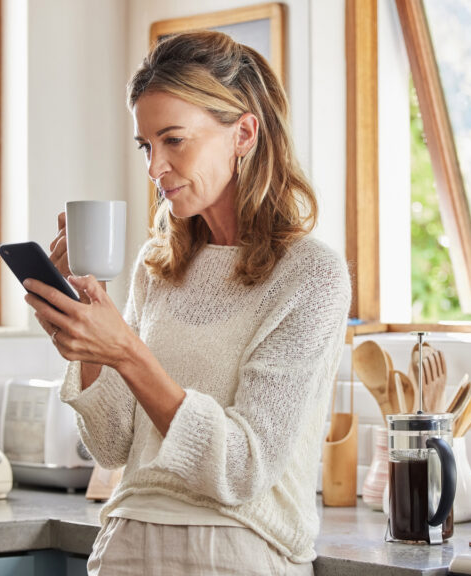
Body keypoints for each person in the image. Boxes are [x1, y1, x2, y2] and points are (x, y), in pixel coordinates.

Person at [23, 30, 351, 575]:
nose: (155, 168)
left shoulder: (310, 276)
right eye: (146, 146)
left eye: (174, 140)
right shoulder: (160, 267)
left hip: (235, 552)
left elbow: (242, 470)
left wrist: (126, 351)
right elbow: (112, 446)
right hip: (126, 543)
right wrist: (87, 340)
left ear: (243, 133)